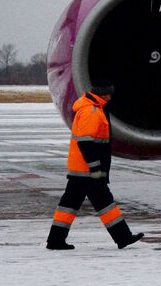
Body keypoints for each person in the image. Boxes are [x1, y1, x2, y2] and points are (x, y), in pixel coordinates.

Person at [46, 82, 145, 250]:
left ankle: (55, 240)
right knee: (105, 204)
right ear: (102, 94)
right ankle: (123, 237)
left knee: (70, 205)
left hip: (81, 170)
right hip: (88, 171)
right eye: (108, 94)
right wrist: (95, 167)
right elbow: (86, 142)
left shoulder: (93, 108)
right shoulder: (91, 111)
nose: (110, 97)